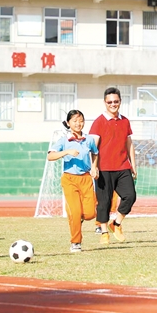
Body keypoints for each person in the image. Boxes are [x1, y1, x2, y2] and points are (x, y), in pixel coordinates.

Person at [89, 87, 137, 245]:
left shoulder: (125, 121)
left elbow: (129, 144)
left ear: (120, 102)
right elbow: (93, 147)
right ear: (105, 103)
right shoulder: (99, 122)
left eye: (116, 101)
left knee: (130, 196)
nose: (113, 104)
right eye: (109, 102)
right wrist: (94, 166)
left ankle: (116, 223)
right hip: (103, 168)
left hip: (123, 166)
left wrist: (133, 165)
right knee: (104, 201)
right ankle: (104, 232)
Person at [47, 110, 98, 253]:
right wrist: (66, 152)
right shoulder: (64, 141)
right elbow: (50, 157)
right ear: (68, 123)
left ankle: (76, 219)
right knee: (75, 211)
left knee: (89, 214)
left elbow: (95, 153)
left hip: (86, 178)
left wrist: (94, 167)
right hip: (69, 179)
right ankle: (76, 242)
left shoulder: (89, 140)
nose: (78, 124)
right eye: (75, 121)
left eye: (81, 120)